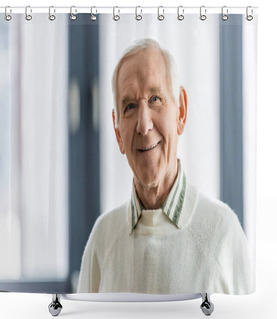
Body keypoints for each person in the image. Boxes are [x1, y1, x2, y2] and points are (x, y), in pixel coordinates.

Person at [78, 38, 254, 294]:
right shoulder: (102, 239)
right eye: (130, 106)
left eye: (155, 99)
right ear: (117, 133)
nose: (144, 125)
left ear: (180, 112)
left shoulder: (222, 233)